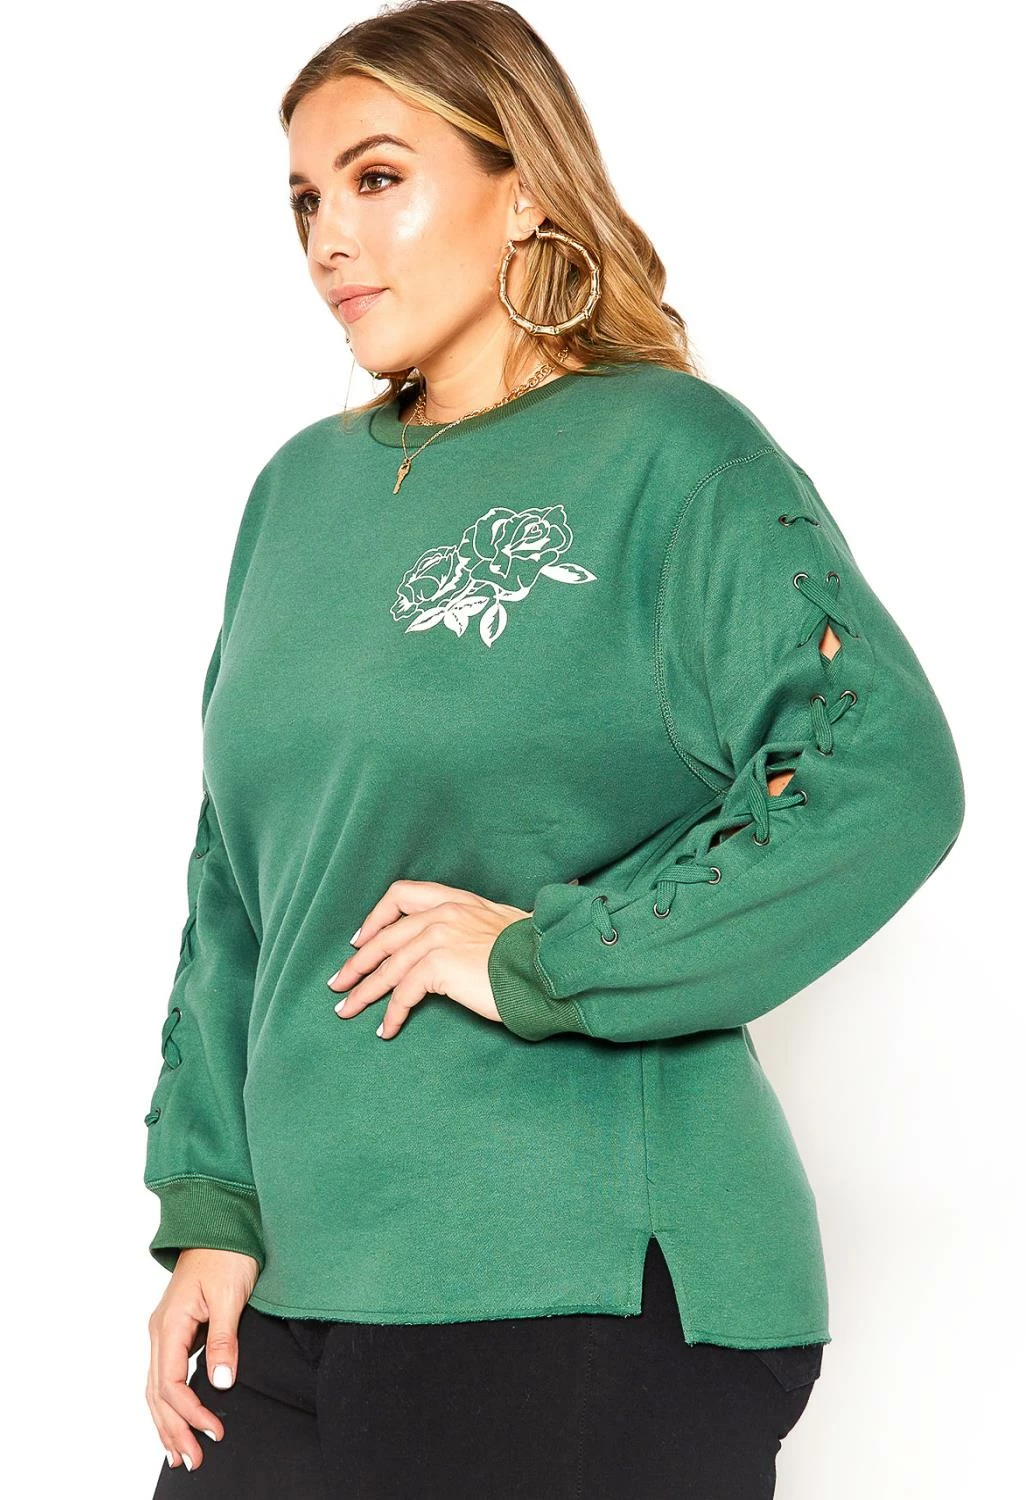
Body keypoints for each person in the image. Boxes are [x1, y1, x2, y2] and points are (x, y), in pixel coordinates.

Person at [142, 3, 966, 1495]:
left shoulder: (668, 454)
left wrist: (543, 956)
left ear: (520, 189)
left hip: (573, 1271)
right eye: (305, 200)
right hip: (301, 1287)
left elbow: (880, 772)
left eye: (377, 178)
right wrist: (214, 1206)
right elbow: (235, 877)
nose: (329, 238)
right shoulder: (297, 493)